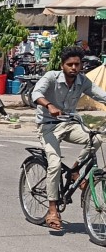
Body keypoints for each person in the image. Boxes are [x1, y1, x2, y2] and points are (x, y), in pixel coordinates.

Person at [32, 46, 106, 230]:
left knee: (96, 138)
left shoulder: (83, 81)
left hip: (70, 124)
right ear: (62, 65)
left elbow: (101, 95)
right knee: (55, 164)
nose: (74, 67)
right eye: (70, 64)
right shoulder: (51, 77)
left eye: (77, 64)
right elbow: (36, 93)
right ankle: (52, 210)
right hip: (48, 126)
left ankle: (75, 171)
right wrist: (49, 106)